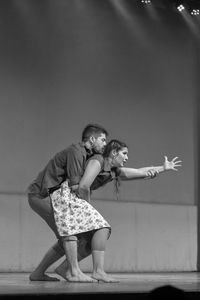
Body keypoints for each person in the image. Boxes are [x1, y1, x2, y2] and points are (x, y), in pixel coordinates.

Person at [50, 139, 182, 282]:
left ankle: (51, 270)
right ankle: (98, 271)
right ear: (114, 153)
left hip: (74, 198)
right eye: (124, 153)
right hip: (67, 196)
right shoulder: (98, 160)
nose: (127, 157)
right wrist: (86, 206)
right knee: (102, 228)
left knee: (88, 242)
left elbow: (139, 171)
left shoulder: (113, 171)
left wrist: (163, 168)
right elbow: (83, 186)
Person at [27, 123, 108, 282]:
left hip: (47, 196)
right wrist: (86, 209)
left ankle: (38, 273)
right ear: (92, 139)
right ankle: (74, 272)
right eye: (103, 140)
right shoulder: (76, 152)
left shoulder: (83, 154)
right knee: (69, 231)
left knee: (68, 235)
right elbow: (77, 186)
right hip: (41, 195)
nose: (105, 144)